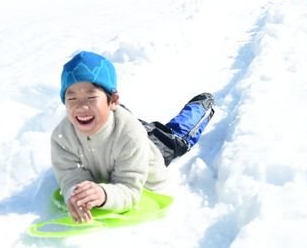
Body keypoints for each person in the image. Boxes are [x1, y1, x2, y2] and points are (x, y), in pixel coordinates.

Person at [51, 51, 214, 223]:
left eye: (91, 97)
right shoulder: (62, 137)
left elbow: (129, 189)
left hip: (150, 150)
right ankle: (112, 111)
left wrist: (104, 195)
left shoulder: (131, 135)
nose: (81, 106)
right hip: (115, 126)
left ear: (113, 101)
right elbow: (69, 177)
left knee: (179, 135)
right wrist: (77, 194)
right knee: (116, 121)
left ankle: (202, 105)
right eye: (72, 99)